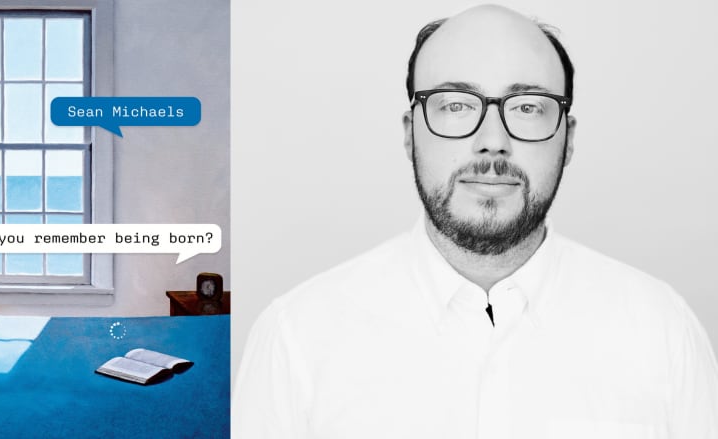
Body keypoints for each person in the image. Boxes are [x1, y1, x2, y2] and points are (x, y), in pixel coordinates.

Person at [232, 5, 718, 438]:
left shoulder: (662, 331)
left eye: (527, 107)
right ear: (411, 134)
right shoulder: (296, 335)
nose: (492, 141)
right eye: (456, 105)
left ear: (567, 140)